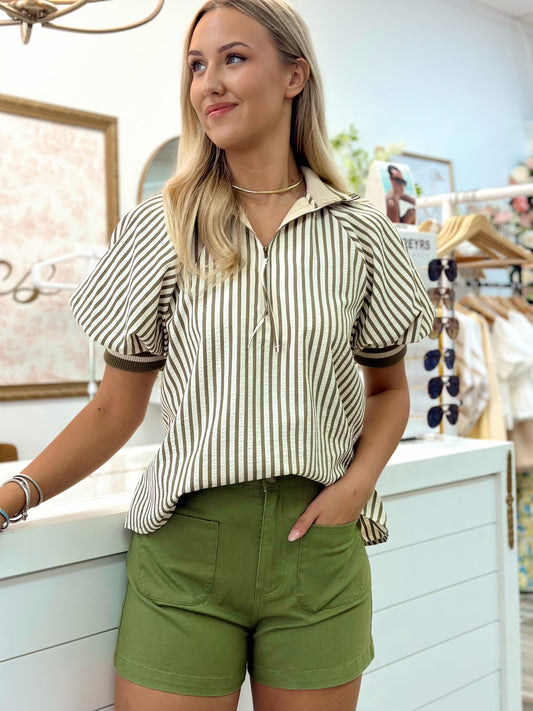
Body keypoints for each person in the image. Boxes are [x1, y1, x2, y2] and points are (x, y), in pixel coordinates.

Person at [0, 1, 435, 709]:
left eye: (233, 58)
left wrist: (357, 484)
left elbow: (387, 389)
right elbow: (113, 408)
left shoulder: (361, 233)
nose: (209, 83)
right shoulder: (161, 226)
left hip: (316, 546)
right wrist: (14, 495)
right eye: (197, 66)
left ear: (294, 76)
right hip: (185, 551)